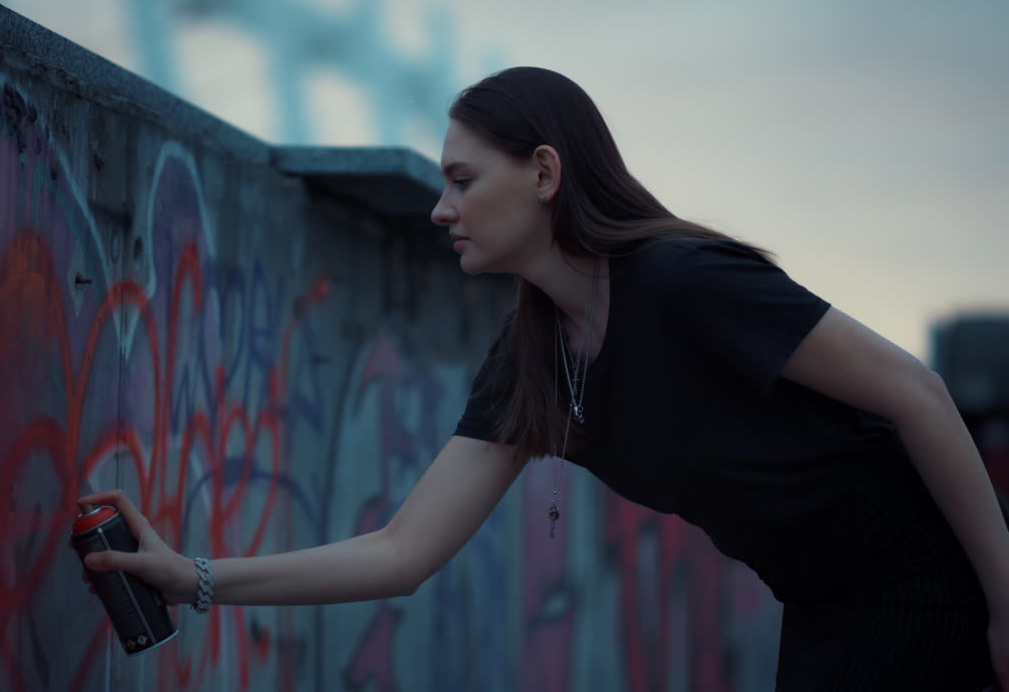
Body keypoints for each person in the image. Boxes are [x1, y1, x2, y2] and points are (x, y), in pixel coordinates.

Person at [77, 67, 1008, 690]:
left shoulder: (687, 285)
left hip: (923, 590)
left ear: (545, 172)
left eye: (462, 180)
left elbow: (918, 395)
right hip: (816, 613)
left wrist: (1007, 610)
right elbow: (402, 552)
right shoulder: (532, 365)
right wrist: (193, 578)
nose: (442, 209)